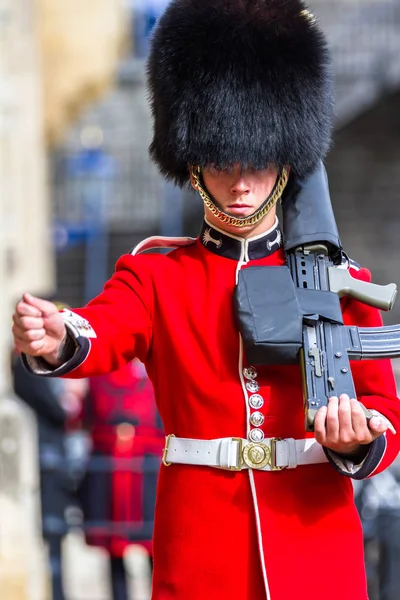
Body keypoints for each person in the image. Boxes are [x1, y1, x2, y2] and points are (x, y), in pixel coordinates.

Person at [11, 1, 400, 599]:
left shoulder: (342, 279)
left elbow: (384, 410)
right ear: (193, 162)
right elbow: (102, 328)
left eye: (257, 161)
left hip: (315, 548)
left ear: (286, 158)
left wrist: (360, 438)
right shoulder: (158, 275)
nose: (240, 183)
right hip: (201, 554)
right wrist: (61, 336)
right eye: (221, 161)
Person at [77, 359, 163, 600]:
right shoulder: (101, 376)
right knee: (125, 549)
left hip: (141, 468)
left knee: (147, 547)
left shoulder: (150, 376)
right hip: (119, 468)